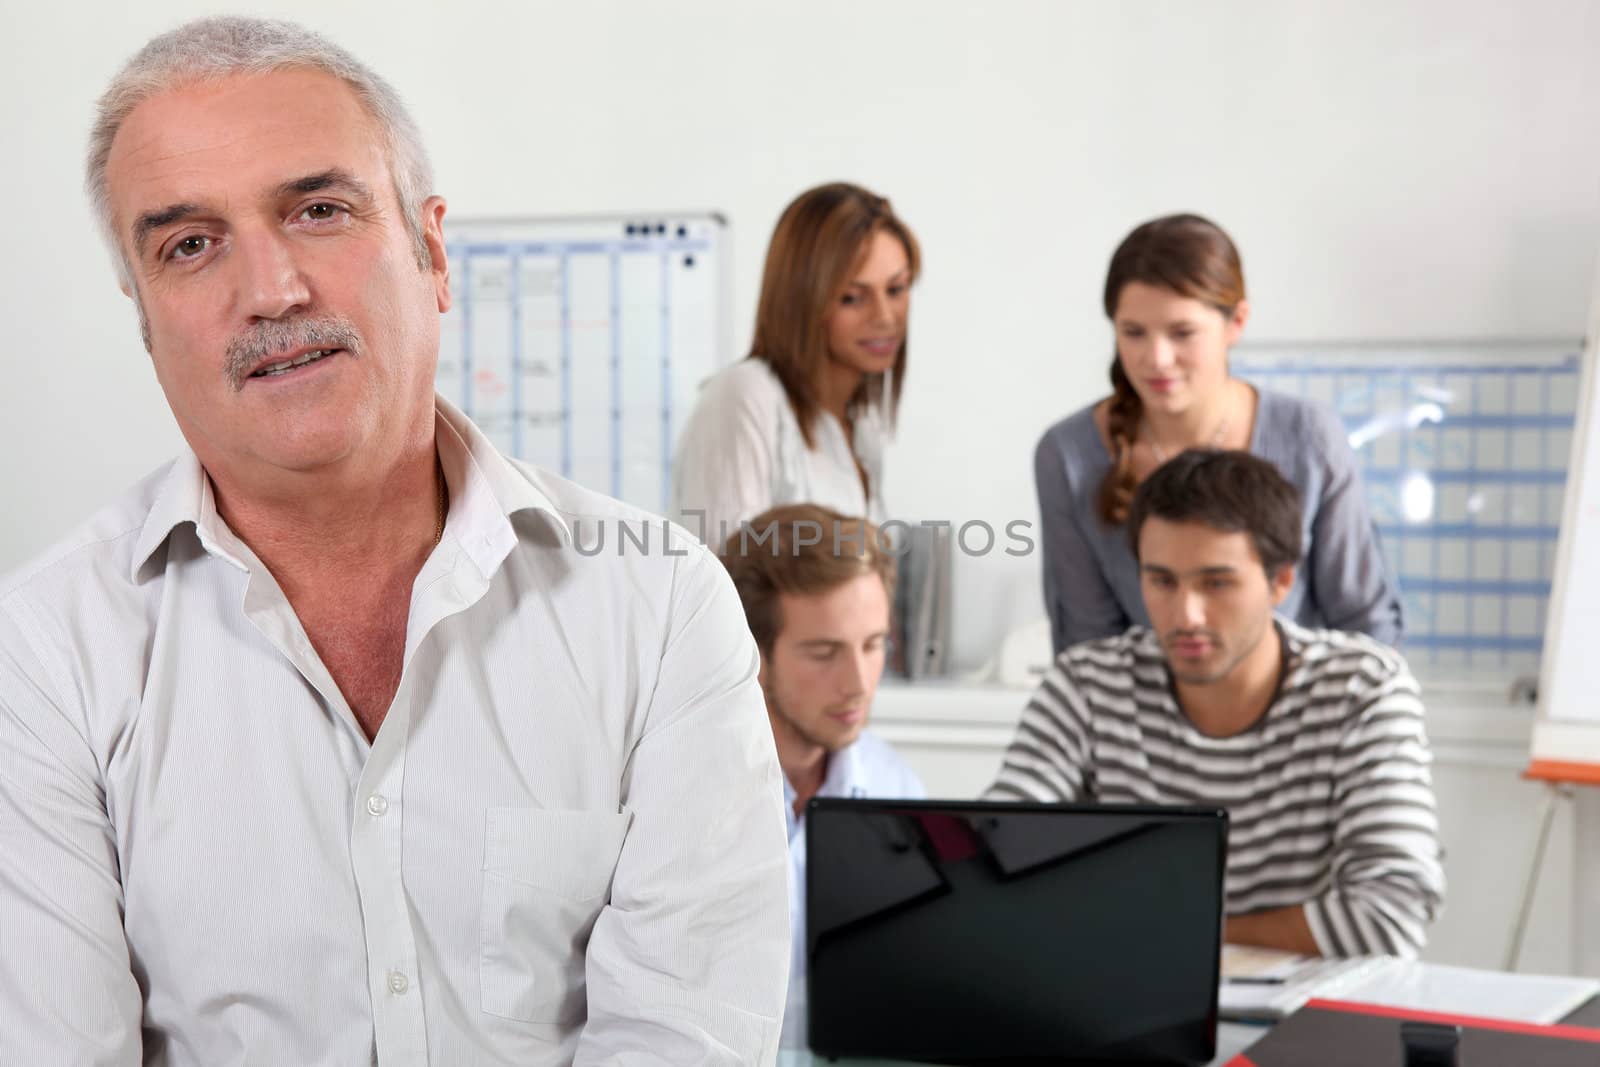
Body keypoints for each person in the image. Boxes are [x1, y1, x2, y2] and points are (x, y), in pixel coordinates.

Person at [0, 17, 789, 1065]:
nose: (271, 290)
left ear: (434, 254)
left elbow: (686, 1041)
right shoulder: (45, 652)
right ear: (145, 318)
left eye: (318, 210)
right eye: (189, 244)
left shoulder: (659, 605)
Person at [989, 450, 1444, 958]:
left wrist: (1159, 932)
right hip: (1127, 1006)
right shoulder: (1088, 683)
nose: (1186, 615)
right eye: (1162, 581)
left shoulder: (1364, 687)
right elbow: (993, 859)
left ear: (1281, 582)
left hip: (1297, 1022)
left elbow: (1391, 917)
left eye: (1216, 582)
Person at [1034, 213, 1404, 654]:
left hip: (1306, 713)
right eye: (1133, 333)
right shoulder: (1069, 455)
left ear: (1237, 322)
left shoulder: (1308, 437)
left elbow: (1366, 626)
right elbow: (1086, 647)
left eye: (1182, 332)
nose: (1157, 358)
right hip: (1134, 718)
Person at [717, 503, 925, 1046]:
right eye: (824, 652)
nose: (858, 682)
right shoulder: (675, 796)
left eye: (873, 645)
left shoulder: (894, 788)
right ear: (751, 654)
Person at [672, 183, 920, 546]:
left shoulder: (862, 426)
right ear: (803, 298)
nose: (885, 317)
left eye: (896, 289)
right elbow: (726, 582)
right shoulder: (745, 396)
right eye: (852, 298)